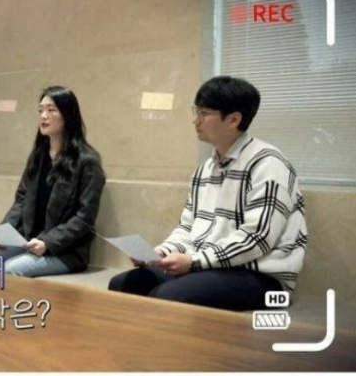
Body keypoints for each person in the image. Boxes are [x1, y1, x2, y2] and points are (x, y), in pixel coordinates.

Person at [108, 76, 308, 311]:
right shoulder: (206, 169)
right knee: (123, 284)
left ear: (233, 119)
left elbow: (257, 238)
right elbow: (187, 228)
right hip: (208, 266)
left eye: (204, 113)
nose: (196, 120)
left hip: (261, 276)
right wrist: (161, 252)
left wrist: (193, 261)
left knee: (167, 297)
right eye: (196, 112)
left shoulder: (268, 164)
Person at [0, 86, 106, 277]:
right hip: (28, 241)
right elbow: (21, 200)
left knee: (10, 271)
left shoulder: (87, 161)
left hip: (65, 251)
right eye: (40, 110)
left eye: (51, 110)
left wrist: (48, 242)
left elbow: (84, 218)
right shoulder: (38, 156)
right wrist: (3, 233)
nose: (44, 116)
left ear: (68, 115)